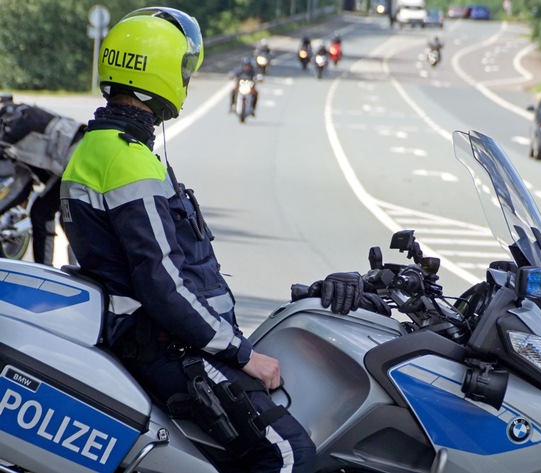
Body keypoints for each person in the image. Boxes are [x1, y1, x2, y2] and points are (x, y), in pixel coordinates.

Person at [59, 7, 320, 472]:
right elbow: (163, 281)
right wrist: (240, 353)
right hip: (168, 347)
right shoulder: (127, 160)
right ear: (155, 68)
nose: (184, 79)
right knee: (287, 452)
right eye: (181, 69)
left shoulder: (98, 146)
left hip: (157, 339)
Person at [0, 92, 85, 264]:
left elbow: (20, 184)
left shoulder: (11, 128)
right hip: (68, 161)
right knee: (43, 213)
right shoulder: (17, 116)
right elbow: (22, 180)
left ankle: (82, 275)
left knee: (67, 219)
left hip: (76, 163)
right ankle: (47, 271)